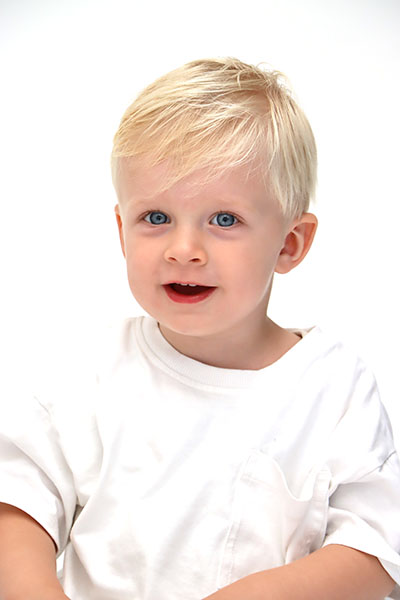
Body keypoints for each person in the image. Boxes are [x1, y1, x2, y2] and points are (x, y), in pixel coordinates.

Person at [0, 57, 399, 600]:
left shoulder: (333, 388)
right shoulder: (89, 371)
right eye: (156, 218)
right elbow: (18, 502)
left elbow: (378, 545)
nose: (183, 250)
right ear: (121, 231)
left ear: (289, 244)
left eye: (224, 220)